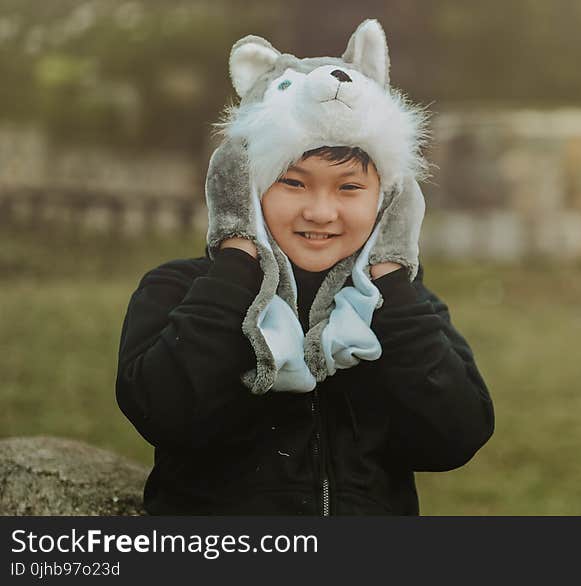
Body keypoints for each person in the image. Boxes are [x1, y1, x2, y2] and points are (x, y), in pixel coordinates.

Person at [115, 20, 494, 515]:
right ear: (246, 186)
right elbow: (165, 411)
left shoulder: (400, 308)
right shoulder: (181, 289)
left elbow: (455, 437)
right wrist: (236, 262)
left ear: (389, 201)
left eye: (349, 188)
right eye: (292, 183)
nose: (320, 211)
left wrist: (392, 280)